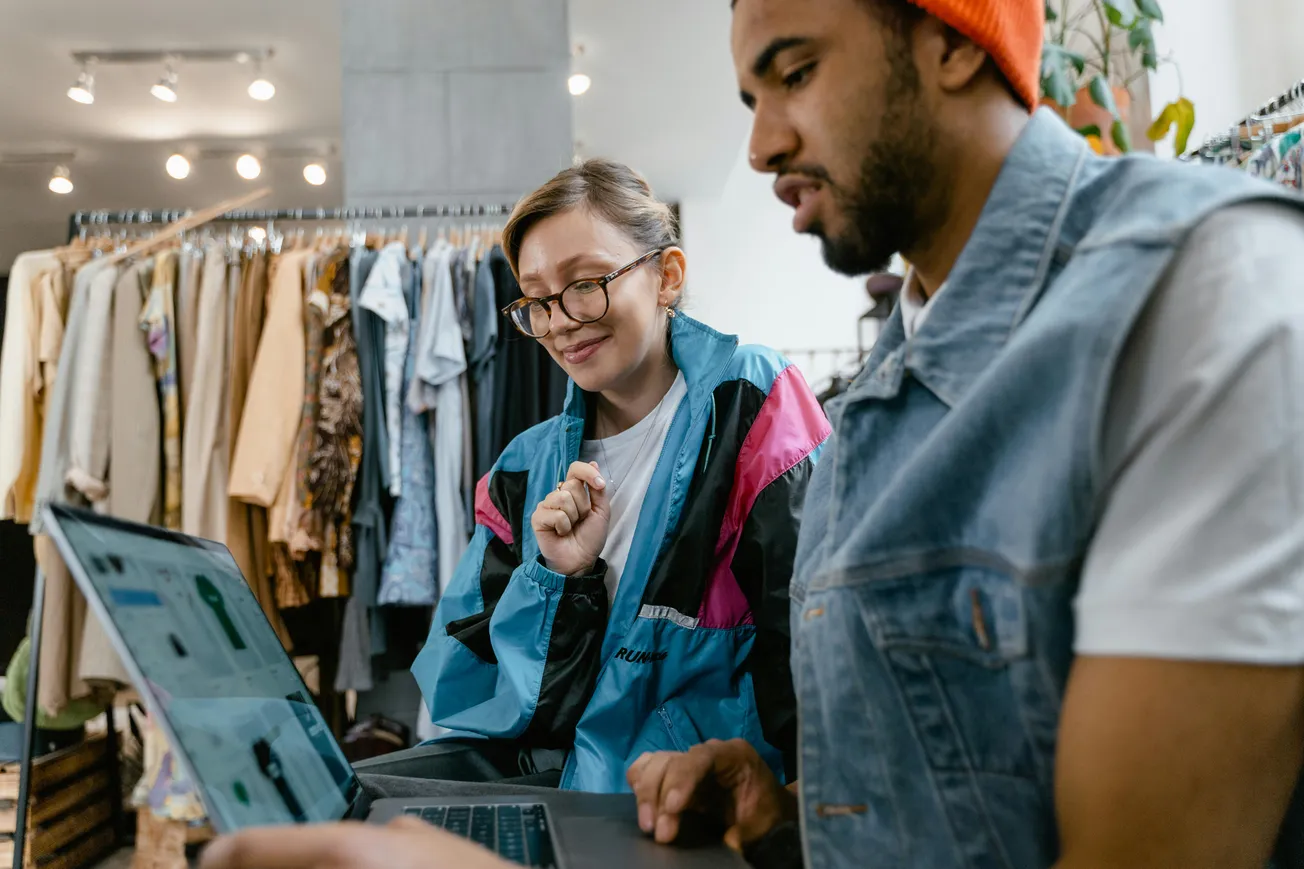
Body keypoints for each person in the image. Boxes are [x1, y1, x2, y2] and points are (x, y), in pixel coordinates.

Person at [204, 0, 1304, 866]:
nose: (764, 140)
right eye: (748, 93)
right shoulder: (885, 389)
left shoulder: (1197, 293)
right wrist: (777, 816)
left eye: (795, 70)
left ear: (953, 40)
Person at [368, 158, 827, 794]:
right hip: (564, 802)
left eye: (585, 283)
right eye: (537, 299)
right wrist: (561, 581)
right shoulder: (522, 470)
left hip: (694, 812)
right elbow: (467, 693)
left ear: (667, 276)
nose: (559, 322)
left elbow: (811, 643)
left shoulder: (751, 401)